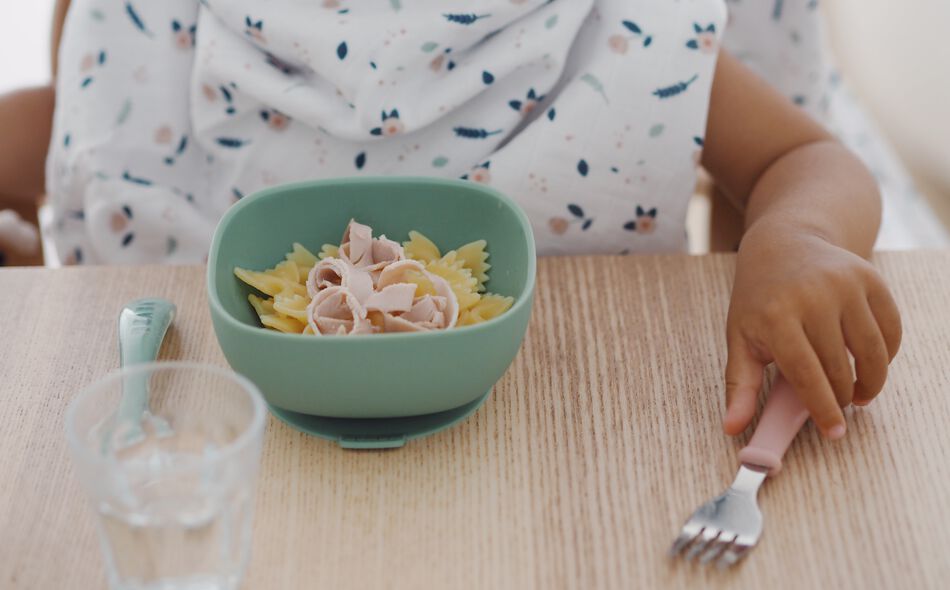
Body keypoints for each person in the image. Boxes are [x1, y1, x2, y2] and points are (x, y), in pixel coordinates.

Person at [2, 0, 903, 441]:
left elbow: (802, 159)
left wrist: (797, 239)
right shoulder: (174, 22)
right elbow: (64, 134)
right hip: (207, 441)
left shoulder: (610, 26)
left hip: (576, 437)